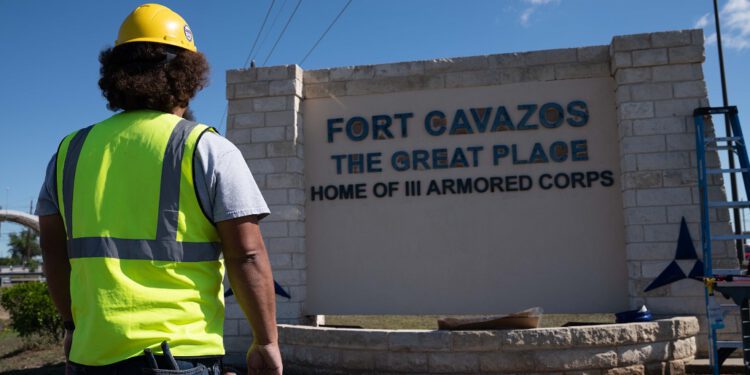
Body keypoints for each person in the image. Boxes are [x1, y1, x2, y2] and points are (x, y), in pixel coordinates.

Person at [36, 4, 282, 374]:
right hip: (179, 357)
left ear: (116, 73)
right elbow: (246, 254)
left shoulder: (70, 151)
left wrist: (73, 327)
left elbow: (54, 255)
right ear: (188, 75)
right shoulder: (206, 148)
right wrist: (266, 342)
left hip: (91, 358)